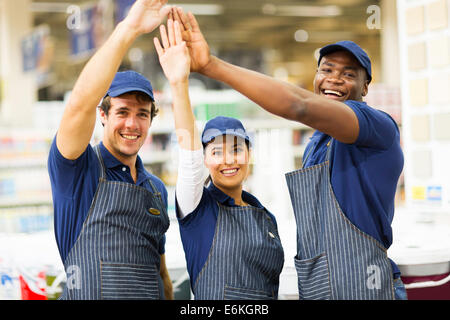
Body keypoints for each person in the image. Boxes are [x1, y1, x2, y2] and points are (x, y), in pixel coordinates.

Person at [170, 7, 406, 300]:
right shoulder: (315, 145)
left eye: (348, 74)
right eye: (327, 69)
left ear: (365, 86)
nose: (333, 79)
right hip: (319, 290)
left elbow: (300, 106)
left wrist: (210, 66)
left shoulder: (377, 127)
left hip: (366, 286)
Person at [47, 0, 173, 300]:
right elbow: (79, 103)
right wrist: (128, 29)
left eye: (142, 113)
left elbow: (162, 273)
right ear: (102, 115)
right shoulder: (78, 169)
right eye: (122, 111)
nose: (132, 123)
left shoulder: (156, 189)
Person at [153, 19, 284, 300]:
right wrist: (179, 82)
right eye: (216, 152)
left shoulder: (265, 217)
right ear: (204, 160)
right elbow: (188, 150)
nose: (228, 160)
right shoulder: (198, 207)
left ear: (250, 154)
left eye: (236, 149)